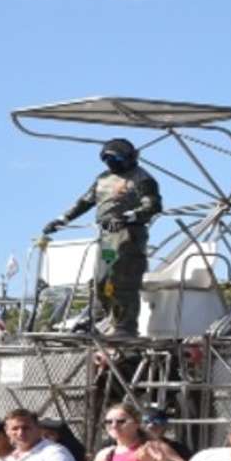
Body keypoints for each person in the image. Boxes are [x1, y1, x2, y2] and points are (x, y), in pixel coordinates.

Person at [42, 137, 161, 337]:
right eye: (108, 160)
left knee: (123, 279)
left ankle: (125, 327)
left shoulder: (142, 179)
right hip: (107, 237)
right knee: (102, 279)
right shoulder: (103, 179)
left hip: (129, 236)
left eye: (116, 159)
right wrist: (62, 219)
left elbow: (153, 206)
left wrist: (128, 217)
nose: (112, 163)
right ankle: (105, 320)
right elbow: (85, 202)